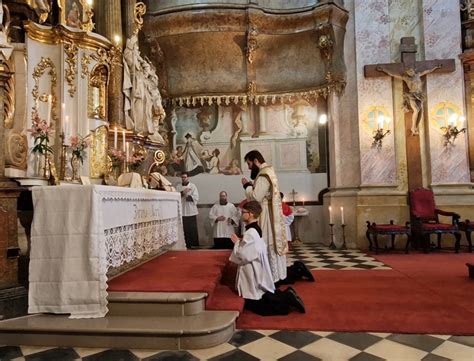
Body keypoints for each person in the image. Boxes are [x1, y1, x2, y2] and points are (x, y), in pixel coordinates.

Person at [242, 150, 314, 285]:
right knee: (271, 248)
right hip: (268, 212)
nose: (249, 167)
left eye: (249, 163)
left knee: (266, 246)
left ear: (256, 161)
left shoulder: (264, 175)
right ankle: (289, 272)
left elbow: (257, 197)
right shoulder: (268, 172)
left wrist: (247, 186)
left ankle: (278, 277)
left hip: (266, 216)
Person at [229, 201, 305, 316]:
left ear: (250, 214)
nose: (241, 214)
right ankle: (287, 295)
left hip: (251, 269)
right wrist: (240, 242)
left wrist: (236, 243)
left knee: (260, 307)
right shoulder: (256, 229)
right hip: (255, 267)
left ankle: (288, 298)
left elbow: (244, 255)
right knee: (257, 300)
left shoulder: (250, 232)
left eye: (243, 212)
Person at [376, 64, 441, 135]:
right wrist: (384, 70)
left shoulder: (418, 75)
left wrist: (435, 67)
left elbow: (427, 71)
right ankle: (413, 127)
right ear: (407, 73)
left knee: (420, 111)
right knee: (416, 110)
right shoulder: (406, 78)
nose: (410, 72)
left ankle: (415, 127)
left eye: (411, 71)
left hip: (419, 95)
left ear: (413, 70)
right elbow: (394, 74)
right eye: (408, 72)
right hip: (412, 95)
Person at [175, 172, 199, 248]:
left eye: (185, 177)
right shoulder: (178, 186)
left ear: (188, 178)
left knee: (192, 229)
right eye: (182, 177)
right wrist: (182, 193)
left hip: (191, 211)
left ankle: (194, 245)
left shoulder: (192, 186)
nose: (183, 178)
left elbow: (196, 197)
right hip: (182, 211)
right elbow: (175, 196)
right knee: (184, 229)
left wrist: (187, 196)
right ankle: (186, 245)